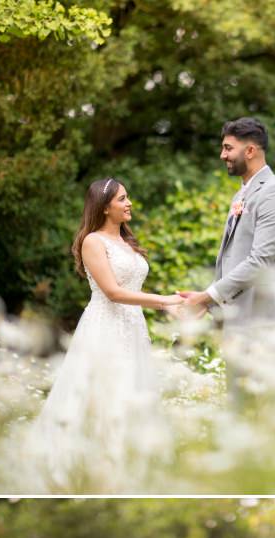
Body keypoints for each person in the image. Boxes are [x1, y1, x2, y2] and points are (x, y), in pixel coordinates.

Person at [25, 178, 182, 483]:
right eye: (122, 199)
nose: (129, 203)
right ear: (105, 206)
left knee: (132, 392)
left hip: (133, 326)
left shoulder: (127, 242)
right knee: (103, 394)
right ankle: (90, 467)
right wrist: (164, 302)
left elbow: (133, 289)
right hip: (105, 327)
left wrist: (175, 305)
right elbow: (113, 292)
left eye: (128, 197)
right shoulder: (93, 242)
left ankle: (130, 465)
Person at [178, 117, 275, 328]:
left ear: (250, 151)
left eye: (228, 148)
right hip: (239, 320)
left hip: (267, 322)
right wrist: (208, 301)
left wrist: (208, 296)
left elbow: (259, 261)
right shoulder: (241, 195)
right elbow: (233, 260)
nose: (222, 155)